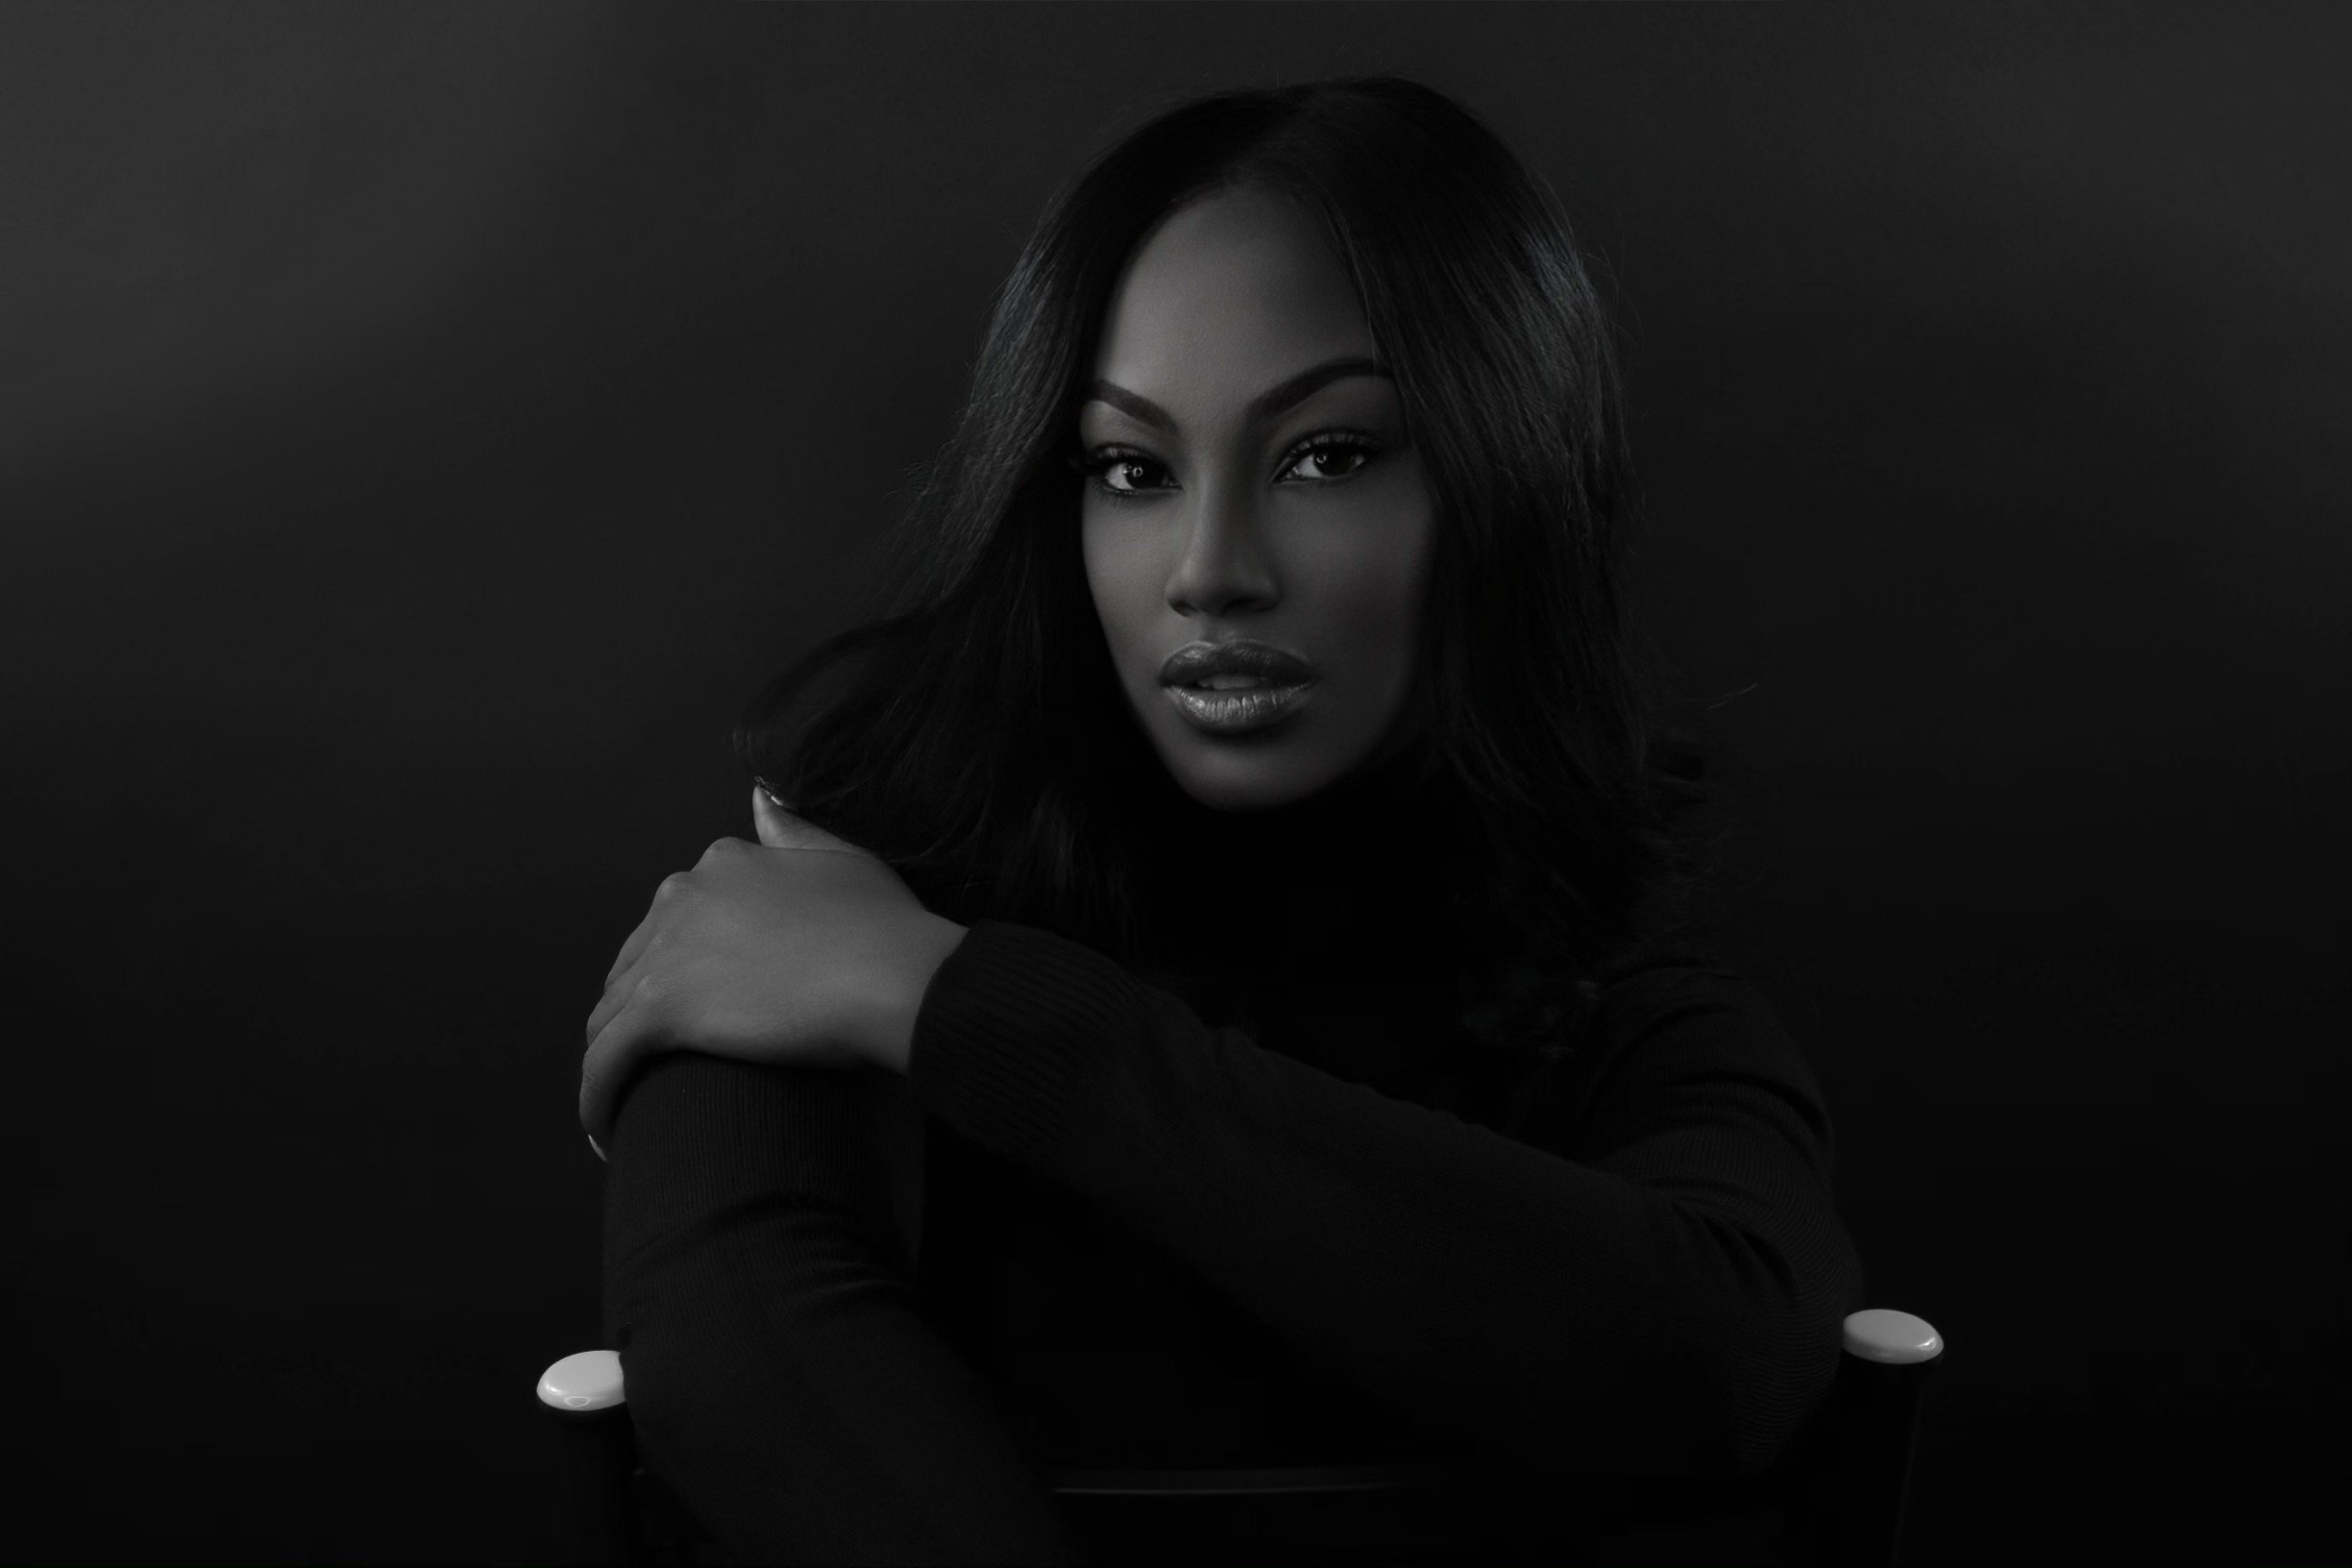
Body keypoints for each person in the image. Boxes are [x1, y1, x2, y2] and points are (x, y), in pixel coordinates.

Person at [581, 74, 1865, 1565]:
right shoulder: (824, 907)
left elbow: (1712, 1365)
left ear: (1512, 480)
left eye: (1328, 455)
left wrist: (946, 1001)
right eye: (1131, 468)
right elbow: (746, 1360)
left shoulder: (1630, 1013)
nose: (1209, 569)